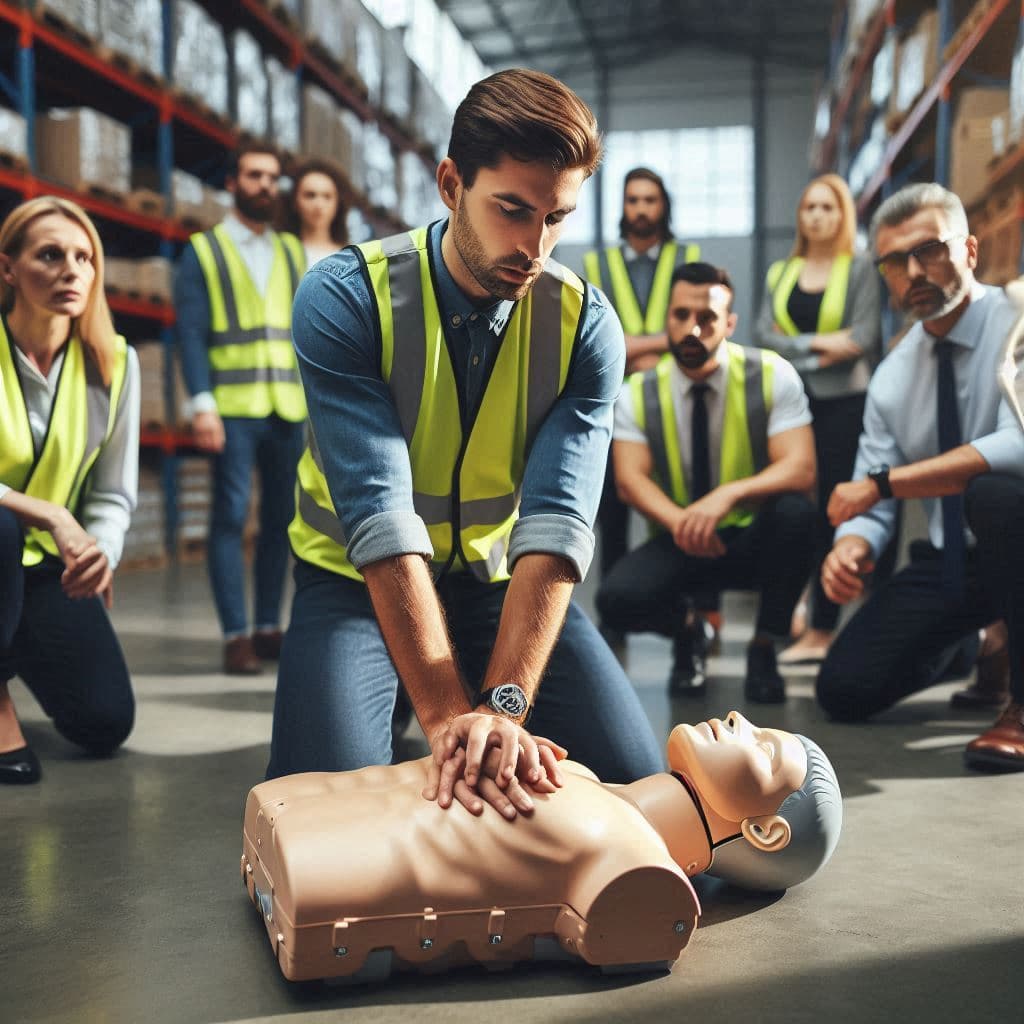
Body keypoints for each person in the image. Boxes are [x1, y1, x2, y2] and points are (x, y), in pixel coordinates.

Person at [267, 69, 664, 805]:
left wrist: (505, 708)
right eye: (511, 209)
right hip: (351, 583)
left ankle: (418, 685)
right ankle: (389, 689)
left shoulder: (584, 327)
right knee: (323, 808)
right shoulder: (346, 298)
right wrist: (452, 720)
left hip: (494, 582)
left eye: (556, 217)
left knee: (640, 788)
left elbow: (557, 527)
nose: (533, 245)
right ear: (451, 184)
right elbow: (381, 521)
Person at [245, 711, 842, 982]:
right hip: (306, 817)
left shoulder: (641, 873)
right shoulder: (593, 786)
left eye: (764, 748)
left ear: (764, 831)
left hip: (321, 862)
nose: (739, 716)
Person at [816, 182, 1024, 771]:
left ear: (970, 251)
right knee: (845, 689)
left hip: (1018, 528)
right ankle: (982, 641)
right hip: (953, 558)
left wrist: (885, 484)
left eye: (930, 249)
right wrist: (850, 548)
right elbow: (869, 496)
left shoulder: (1019, 319)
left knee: (996, 493)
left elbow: (1018, 444)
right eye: (895, 261)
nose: (914, 271)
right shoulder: (891, 377)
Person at [596, 263, 816, 703]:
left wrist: (726, 496)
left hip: (750, 535)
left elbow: (801, 468)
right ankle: (689, 633)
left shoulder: (773, 373)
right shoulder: (638, 392)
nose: (692, 329)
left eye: (708, 318)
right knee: (616, 600)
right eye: (681, 316)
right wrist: (682, 522)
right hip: (680, 535)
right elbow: (630, 481)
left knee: (799, 515)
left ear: (730, 324)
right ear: (667, 320)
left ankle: (764, 649)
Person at [0, 196, 139, 784]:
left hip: (43, 570)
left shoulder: (113, 363)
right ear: (8, 268)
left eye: (84, 257)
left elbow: (112, 493)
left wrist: (98, 553)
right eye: (49, 255)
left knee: (104, 721)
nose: (71, 270)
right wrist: (50, 513)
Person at [175, 145, 307, 675]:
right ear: (232, 182)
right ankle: (235, 635)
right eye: (254, 175)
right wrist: (200, 403)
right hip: (230, 407)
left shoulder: (295, 252)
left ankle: (268, 627)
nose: (264, 185)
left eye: (272, 178)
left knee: (281, 521)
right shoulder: (202, 252)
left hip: (289, 407)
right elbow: (188, 333)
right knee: (229, 518)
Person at [753, 174, 881, 666]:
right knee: (790, 510)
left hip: (843, 407)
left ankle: (824, 628)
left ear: (843, 214)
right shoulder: (781, 271)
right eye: (810, 207)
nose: (818, 216)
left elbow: (863, 340)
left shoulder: (861, 267)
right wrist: (818, 348)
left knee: (834, 508)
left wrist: (796, 347)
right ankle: (794, 610)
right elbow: (766, 335)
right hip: (790, 403)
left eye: (828, 207)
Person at [583, 169, 701, 647]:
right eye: (633, 200)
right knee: (610, 509)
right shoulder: (597, 264)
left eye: (650, 200)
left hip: (676, 402)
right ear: (623, 207)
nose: (641, 209)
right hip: (614, 403)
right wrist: (658, 344)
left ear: (664, 206)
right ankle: (615, 617)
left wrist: (633, 346)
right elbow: (594, 335)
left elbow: (695, 335)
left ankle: (691, 616)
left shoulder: (687, 259)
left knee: (682, 507)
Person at [280, 158, 348, 269]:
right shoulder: (280, 249)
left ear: (338, 203)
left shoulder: (350, 257)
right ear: (294, 201)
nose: (319, 205)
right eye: (310, 195)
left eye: (327, 196)